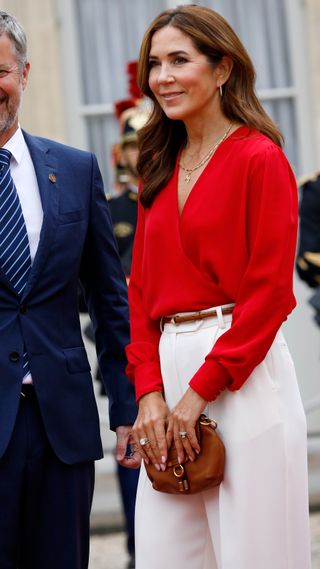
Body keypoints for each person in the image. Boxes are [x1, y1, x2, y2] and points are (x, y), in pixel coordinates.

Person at [124, 5, 311, 569]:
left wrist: (198, 391)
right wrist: (150, 393)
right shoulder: (158, 164)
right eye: (155, 64)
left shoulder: (260, 159)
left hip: (241, 376)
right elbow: (139, 293)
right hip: (167, 375)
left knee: (256, 555)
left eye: (180, 60)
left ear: (223, 68)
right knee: (165, 556)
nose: (163, 77)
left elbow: (270, 294)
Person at [0, 11, 139, 569]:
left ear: (25, 74)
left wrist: (128, 407)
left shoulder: (77, 170)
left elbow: (109, 300)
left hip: (64, 428)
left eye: (0, 70)